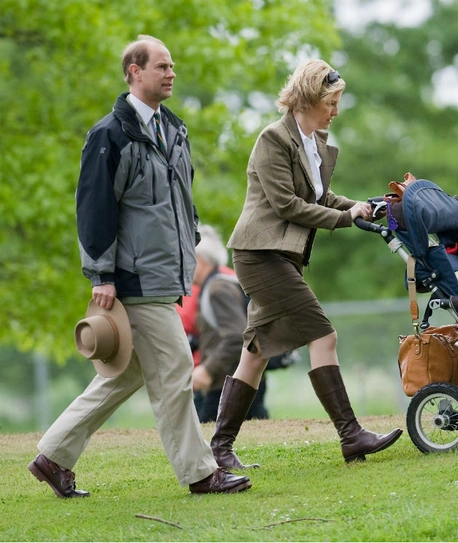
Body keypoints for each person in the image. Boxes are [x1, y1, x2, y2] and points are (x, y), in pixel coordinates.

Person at [27, 35, 250, 498]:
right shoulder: (110, 134)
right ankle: (200, 472)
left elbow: (181, 204)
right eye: (162, 67)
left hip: (165, 275)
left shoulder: (175, 129)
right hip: (134, 279)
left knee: (125, 375)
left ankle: (53, 456)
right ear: (133, 71)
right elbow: (93, 209)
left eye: (172, 67)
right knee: (175, 372)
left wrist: (189, 246)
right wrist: (102, 276)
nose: (171, 74)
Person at [210, 59, 403, 468]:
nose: (336, 111)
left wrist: (364, 206)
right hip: (259, 255)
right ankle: (351, 435)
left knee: (256, 353)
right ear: (310, 98)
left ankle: (219, 449)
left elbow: (321, 197)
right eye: (331, 102)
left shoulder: (313, 141)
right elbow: (287, 204)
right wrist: (343, 219)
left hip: (283, 256)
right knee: (323, 335)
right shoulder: (273, 139)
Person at [190, 224, 298, 423]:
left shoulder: (217, 290)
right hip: (240, 381)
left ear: (200, 260)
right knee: (255, 436)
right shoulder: (220, 284)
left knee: (214, 443)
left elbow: (235, 337)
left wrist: (207, 370)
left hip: (227, 384)